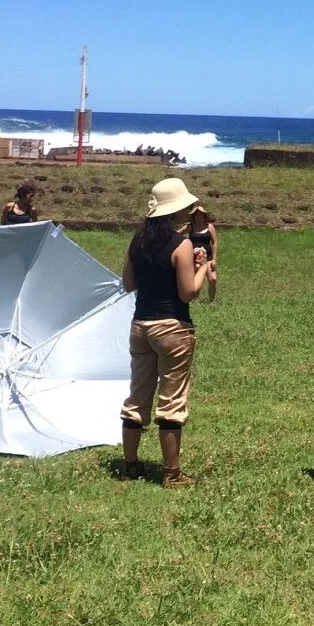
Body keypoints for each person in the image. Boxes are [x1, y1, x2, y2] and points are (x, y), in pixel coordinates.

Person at [119, 178, 210, 488]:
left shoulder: (138, 241)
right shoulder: (181, 244)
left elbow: (128, 283)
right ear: (176, 211)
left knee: (137, 399)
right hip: (173, 327)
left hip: (140, 325)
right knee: (172, 401)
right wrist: (201, 267)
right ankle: (172, 473)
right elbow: (188, 293)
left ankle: (130, 465)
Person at [189, 207, 220, 302]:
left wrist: (214, 258)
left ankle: (212, 300)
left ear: (204, 216)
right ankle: (195, 300)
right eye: (196, 214)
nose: (199, 216)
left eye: (201, 214)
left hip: (208, 258)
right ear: (194, 216)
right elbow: (179, 233)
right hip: (195, 258)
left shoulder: (209, 226)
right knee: (196, 280)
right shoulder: (191, 226)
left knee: (213, 279)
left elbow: (214, 243)